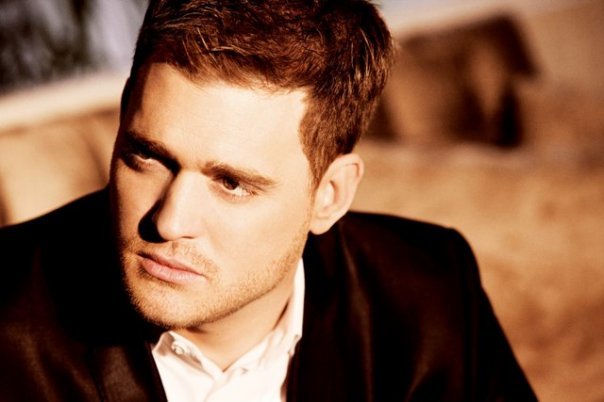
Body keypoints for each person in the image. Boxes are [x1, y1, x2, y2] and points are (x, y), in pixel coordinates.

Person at [0, 0, 537, 401]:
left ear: (329, 196)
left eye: (231, 183)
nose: (169, 221)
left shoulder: (430, 295)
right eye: (148, 156)